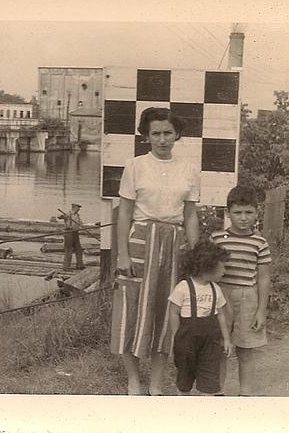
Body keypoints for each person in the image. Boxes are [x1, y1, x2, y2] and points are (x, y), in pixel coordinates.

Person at [110, 107, 200, 396]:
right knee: (131, 310)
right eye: (155, 134)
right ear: (146, 136)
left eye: (168, 133)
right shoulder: (135, 165)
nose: (162, 139)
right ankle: (134, 379)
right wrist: (122, 254)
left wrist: (195, 253)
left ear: (177, 134)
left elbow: (190, 215)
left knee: (167, 312)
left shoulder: (188, 168)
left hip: (173, 244)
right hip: (139, 243)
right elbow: (124, 213)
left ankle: (156, 384)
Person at [211, 185, 272, 396]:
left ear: (257, 213)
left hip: (248, 296)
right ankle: (217, 391)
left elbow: (264, 278)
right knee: (219, 347)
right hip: (221, 297)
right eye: (237, 212)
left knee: (246, 348)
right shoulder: (217, 239)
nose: (243, 218)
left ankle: (245, 394)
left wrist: (261, 311)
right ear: (228, 214)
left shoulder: (260, 243)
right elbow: (207, 272)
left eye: (249, 212)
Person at [168, 240, 233, 395]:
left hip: (210, 342)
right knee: (185, 378)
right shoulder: (183, 287)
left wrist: (226, 339)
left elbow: (221, 316)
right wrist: (177, 338)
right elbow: (173, 312)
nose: (225, 270)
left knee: (210, 377)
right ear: (208, 266)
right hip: (187, 340)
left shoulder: (215, 289)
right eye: (222, 266)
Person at [58, 203, 85, 270]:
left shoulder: (77, 215)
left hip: (76, 233)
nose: (79, 209)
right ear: (74, 207)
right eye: (78, 207)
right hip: (69, 233)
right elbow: (60, 216)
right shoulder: (68, 214)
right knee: (69, 250)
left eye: (79, 208)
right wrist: (62, 216)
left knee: (79, 249)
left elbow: (81, 224)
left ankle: (79, 265)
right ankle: (66, 267)